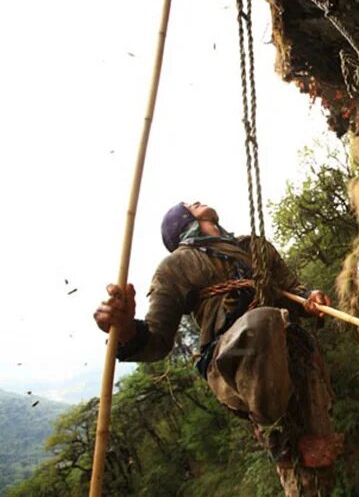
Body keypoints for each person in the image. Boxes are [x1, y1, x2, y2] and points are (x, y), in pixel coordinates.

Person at [94, 201, 341, 496]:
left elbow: (290, 290)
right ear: (181, 220)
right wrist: (125, 330)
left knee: (319, 463)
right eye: (189, 204)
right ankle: (277, 434)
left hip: (292, 351)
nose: (196, 201)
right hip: (233, 359)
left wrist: (310, 298)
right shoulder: (175, 267)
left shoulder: (253, 247)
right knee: (261, 322)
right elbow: (157, 342)